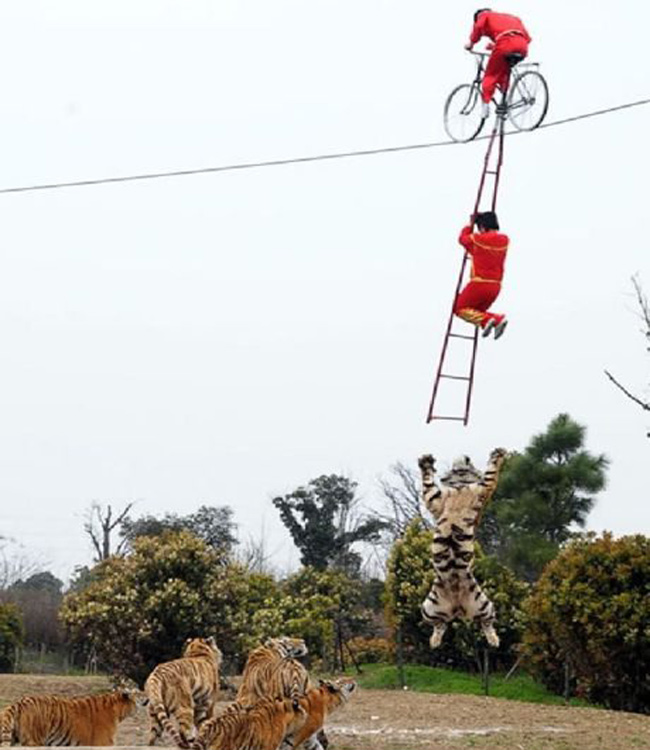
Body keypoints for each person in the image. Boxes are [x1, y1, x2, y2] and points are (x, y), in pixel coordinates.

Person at [465, 9, 531, 116]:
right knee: (502, 72)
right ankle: (505, 100)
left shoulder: (484, 15)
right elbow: (528, 38)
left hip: (505, 43)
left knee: (490, 75)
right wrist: (494, 46)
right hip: (523, 47)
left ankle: (485, 105)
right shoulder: (512, 17)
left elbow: (478, 27)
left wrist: (471, 43)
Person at [454, 211, 508, 339]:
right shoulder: (505, 240)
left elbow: (462, 239)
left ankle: (493, 319)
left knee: (459, 308)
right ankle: (493, 321)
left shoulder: (479, 238)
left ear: (482, 227)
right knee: (476, 312)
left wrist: (470, 225)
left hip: (480, 284)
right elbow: (479, 252)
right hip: (496, 287)